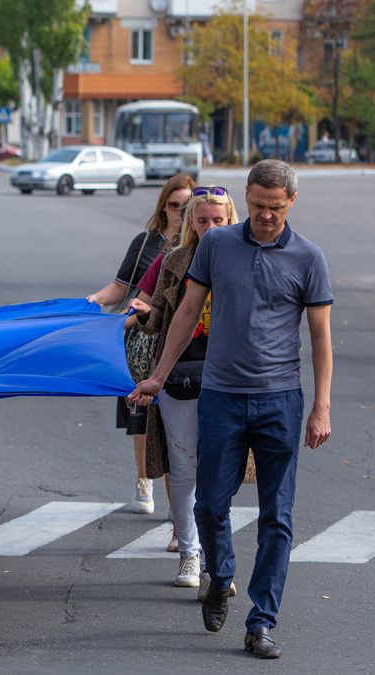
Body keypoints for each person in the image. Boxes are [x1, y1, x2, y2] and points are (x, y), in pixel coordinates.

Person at [130, 161, 333, 659]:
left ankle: (262, 621)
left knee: (277, 517)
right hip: (220, 396)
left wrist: (321, 406)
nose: (265, 216)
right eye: (259, 205)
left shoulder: (309, 257)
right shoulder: (218, 246)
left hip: (280, 400)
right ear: (248, 197)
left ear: (291, 203)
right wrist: (158, 374)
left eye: (276, 208)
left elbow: (321, 336)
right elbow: (183, 311)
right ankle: (220, 578)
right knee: (209, 506)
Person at [130, 187, 238, 590]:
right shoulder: (173, 260)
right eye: (203, 219)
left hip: (229, 378)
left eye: (219, 220)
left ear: (230, 220)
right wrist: (145, 314)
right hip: (179, 376)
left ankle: (215, 556)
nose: (211, 227)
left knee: (218, 470)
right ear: (191, 222)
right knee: (183, 467)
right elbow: (158, 318)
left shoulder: (242, 258)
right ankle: (191, 554)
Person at [86, 173, 196, 515]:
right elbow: (122, 289)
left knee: (174, 422)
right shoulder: (147, 244)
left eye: (185, 206)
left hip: (179, 344)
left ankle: (181, 512)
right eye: (174, 204)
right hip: (139, 341)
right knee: (143, 416)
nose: (179, 211)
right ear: (163, 206)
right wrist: (93, 303)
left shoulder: (200, 246)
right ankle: (144, 479)